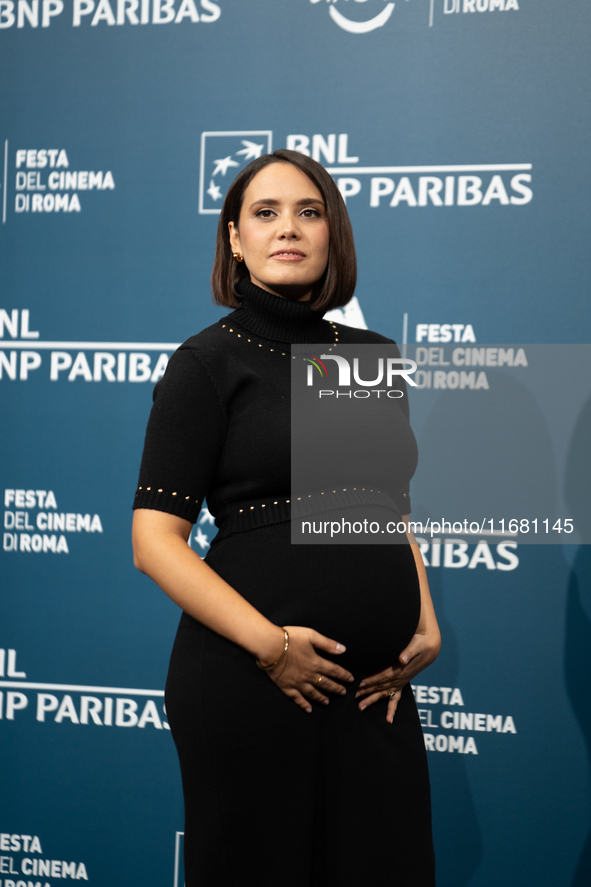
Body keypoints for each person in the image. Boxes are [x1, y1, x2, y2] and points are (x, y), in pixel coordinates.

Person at [132, 149, 440, 887]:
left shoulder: (366, 354)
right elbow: (155, 541)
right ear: (234, 239)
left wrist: (422, 617)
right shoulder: (208, 362)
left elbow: (381, 504)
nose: (287, 228)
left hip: (370, 688)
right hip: (252, 681)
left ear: (333, 232)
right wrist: (272, 647)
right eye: (264, 213)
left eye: (308, 211)